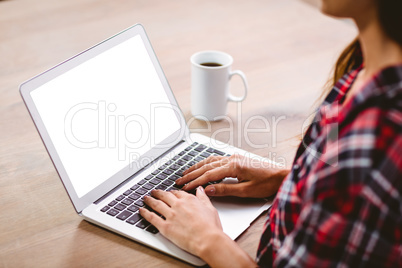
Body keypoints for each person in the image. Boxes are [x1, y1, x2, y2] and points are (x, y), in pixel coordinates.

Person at [139, 0, 402, 266]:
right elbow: (343, 178)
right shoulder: (363, 72)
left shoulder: (378, 137)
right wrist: (288, 179)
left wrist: (207, 240)